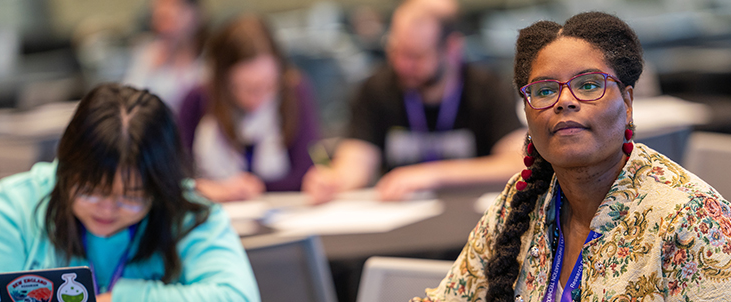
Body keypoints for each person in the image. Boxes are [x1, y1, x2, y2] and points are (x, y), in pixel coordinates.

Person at [277, 12, 731, 302]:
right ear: (528, 111)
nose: (565, 101)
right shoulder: (523, 202)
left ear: (627, 100)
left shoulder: (692, 219)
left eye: (590, 85)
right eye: (545, 89)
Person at [0, 84, 262, 302]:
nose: (107, 209)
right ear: (64, 168)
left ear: (160, 187)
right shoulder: (14, 206)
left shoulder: (184, 211)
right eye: (89, 190)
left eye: (132, 197)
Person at [302, 0, 526, 202]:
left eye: (416, 56)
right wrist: (333, 181)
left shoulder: (486, 89)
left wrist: (433, 174)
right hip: (402, 228)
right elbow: (356, 161)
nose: (402, 65)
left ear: (451, 49)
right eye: (396, 51)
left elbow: (517, 163)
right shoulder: (376, 89)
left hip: (471, 223)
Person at [177, 15, 320, 202]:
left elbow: (306, 171)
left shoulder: (294, 92)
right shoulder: (198, 99)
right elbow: (174, 174)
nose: (257, 99)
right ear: (222, 81)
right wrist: (206, 188)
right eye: (246, 89)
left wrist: (257, 186)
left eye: (268, 85)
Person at [124, 0, 206, 112]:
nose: (165, 28)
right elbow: (128, 100)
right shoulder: (148, 54)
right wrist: (151, 71)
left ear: (194, 16)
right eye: (159, 19)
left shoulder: (208, 60)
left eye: (170, 19)